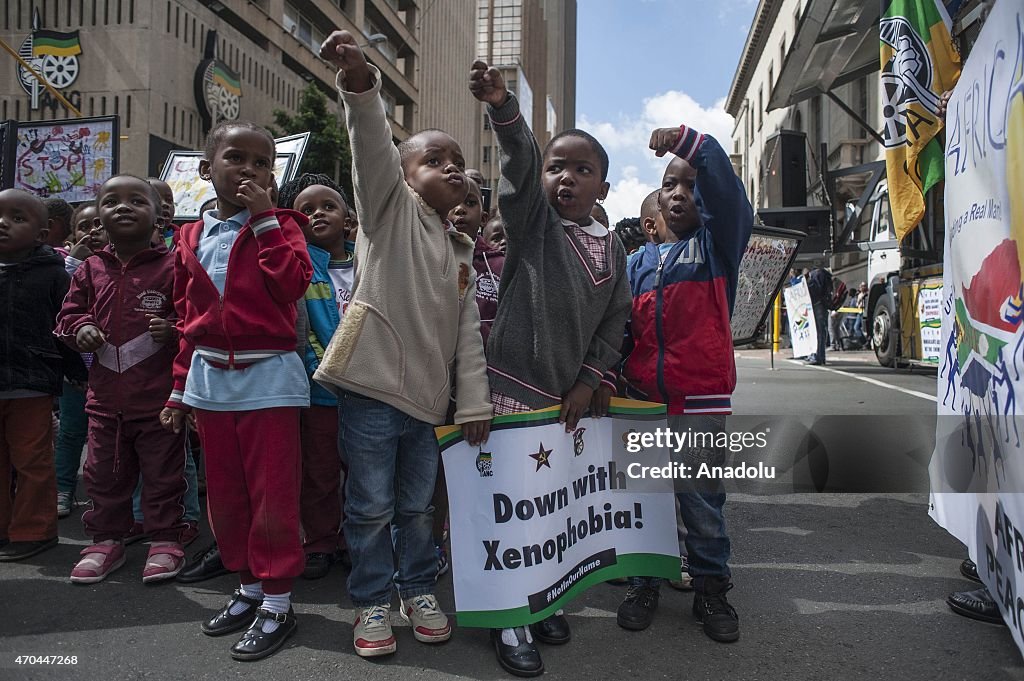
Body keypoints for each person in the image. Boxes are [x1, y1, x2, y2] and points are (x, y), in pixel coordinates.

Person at [315, 30, 492, 660]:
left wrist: (472, 404)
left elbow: (467, 338)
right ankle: (371, 600)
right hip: (370, 391)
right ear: (406, 176)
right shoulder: (389, 212)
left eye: (457, 163)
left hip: (428, 404)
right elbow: (370, 150)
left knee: (418, 508)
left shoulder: (461, 251)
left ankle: (418, 589)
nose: (450, 167)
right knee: (368, 507)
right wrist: (361, 83)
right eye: (432, 159)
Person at [470, 59, 632, 677]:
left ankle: (541, 598)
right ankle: (509, 616)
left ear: (604, 189)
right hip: (511, 396)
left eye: (582, 169)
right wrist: (504, 111)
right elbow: (515, 163)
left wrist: (590, 381)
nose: (566, 177)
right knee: (509, 507)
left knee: (551, 512)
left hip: (565, 406)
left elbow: (614, 322)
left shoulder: (612, 248)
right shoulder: (533, 223)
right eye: (556, 167)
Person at [159, 120, 313, 661]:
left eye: (261, 163)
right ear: (207, 170)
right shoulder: (188, 237)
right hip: (209, 383)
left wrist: (268, 218)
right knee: (224, 497)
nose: (248, 170)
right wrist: (180, 390)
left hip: (269, 379)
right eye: (236, 158)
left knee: (272, 495)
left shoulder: (285, 224)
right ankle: (248, 587)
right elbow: (186, 319)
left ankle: (277, 601)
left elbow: (292, 286)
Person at [616, 124, 753, 643]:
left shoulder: (719, 249)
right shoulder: (636, 264)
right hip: (642, 405)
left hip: (700, 401)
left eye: (692, 186)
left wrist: (690, 143)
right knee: (644, 498)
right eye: (671, 184)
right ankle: (644, 581)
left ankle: (712, 590)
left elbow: (727, 193)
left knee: (701, 502)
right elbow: (619, 330)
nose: (680, 193)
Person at [55, 175, 187, 584]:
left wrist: (172, 328)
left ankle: (165, 540)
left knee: (164, 474)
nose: (123, 207)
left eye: (136, 201)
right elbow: (67, 315)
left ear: (158, 217)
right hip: (104, 403)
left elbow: (191, 317)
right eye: (111, 201)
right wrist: (80, 329)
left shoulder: (174, 265)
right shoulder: (90, 269)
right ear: (99, 219)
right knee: (103, 475)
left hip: (158, 404)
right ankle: (106, 540)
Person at [277, 172, 356, 581]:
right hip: (320, 393)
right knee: (320, 474)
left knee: (362, 475)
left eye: (328, 206)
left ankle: (355, 540)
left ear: (349, 219)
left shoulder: (369, 263)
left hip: (368, 393)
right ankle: (322, 541)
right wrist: (318, 370)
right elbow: (301, 330)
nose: (317, 214)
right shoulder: (301, 268)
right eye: (306, 210)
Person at [0, 189, 69, 562]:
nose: (2, 223)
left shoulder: (53, 274)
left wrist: (78, 372)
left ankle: (33, 531)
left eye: (17, 217)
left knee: (32, 461)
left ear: (43, 234)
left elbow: (67, 326)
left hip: (31, 383)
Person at [55, 203, 107, 519]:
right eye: (84, 225)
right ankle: (63, 488)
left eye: (98, 225)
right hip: (75, 373)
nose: (92, 231)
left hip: (111, 373)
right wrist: (77, 256)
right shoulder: (67, 269)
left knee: (106, 440)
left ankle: (108, 500)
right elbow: (62, 310)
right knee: (71, 433)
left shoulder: (115, 266)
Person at [805, 265, 833, 365]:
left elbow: (815, 290)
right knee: (821, 331)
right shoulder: (824, 275)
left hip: (817, 304)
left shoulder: (815, 274)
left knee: (816, 331)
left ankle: (816, 356)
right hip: (823, 305)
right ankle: (821, 356)